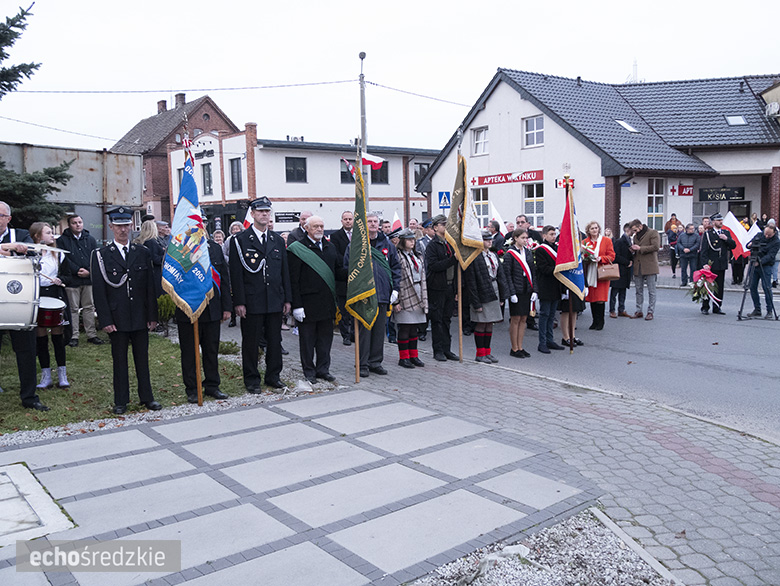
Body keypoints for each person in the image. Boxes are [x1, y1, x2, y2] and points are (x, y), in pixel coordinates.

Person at [91, 207, 160, 414]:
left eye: (126, 225)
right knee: (119, 360)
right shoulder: (101, 256)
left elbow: (150, 287)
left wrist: (152, 316)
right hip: (117, 316)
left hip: (139, 315)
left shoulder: (142, 252)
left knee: (142, 359)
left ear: (132, 226)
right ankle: (121, 400)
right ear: (111, 227)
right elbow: (99, 291)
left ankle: (147, 397)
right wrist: (105, 319)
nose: (123, 230)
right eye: (119, 226)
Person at [229, 196, 291, 392]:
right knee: (251, 342)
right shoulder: (240, 240)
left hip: (274, 299)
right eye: (260, 211)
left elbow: (284, 272)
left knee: (275, 341)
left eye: (267, 211)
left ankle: (273, 376)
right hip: (252, 300)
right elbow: (236, 274)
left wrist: (287, 298)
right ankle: (252, 380)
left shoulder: (277, 240)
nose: (264, 214)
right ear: (253, 214)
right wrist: (239, 302)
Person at [0, 202, 50, 411]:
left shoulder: (20, 234)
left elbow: (36, 257)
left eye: (0, 215)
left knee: (26, 351)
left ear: (8, 219)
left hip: (18, 303)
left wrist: (17, 252)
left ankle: (29, 396)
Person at [174, 225, 231, 404]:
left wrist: (227, 307)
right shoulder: (180, 250)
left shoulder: (214, 248)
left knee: (211, 350)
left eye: (202, 223)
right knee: (189, 352)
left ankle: (213, 385)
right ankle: (192, 388)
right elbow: (175, 278)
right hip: (188, 308)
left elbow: (224, 278)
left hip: (212, 308)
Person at [344, 211, 401, 377]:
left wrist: (395, 289)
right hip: (364, 296)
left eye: (375, 221)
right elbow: (348, 268)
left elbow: (395, 267)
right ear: (364, 224)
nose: (373, 224)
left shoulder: (387, 244)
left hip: (383, 294)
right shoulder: (355, 245)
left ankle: (375, 362)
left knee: (378, 331)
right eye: (369, 221)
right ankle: (362, 364)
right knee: (364, 332)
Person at [288, 215, 340, 383]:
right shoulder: (297, 248)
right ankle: (309, 371)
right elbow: (293, 279)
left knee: (325, 341)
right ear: (307, 228)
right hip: (307, 304)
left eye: (322, 226)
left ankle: (323, 369)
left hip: (327, 303)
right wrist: (297, 305)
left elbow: (338, 271)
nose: (319, 229)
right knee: (308, 342)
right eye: (316, 226)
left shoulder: (330, 247)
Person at [29, 222, 71, 389]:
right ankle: (45, 375)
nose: (52, 235)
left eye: (51, 232)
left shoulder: (58, 254)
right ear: (37, 236)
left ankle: (62, 373)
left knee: (57, 335)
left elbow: (69, 275)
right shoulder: (31, 253)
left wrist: (61, 280)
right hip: (37, 294)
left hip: (55, 294)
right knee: (40, 336)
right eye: (47, 232)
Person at [57, 214, 103, 347]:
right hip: (72, 279)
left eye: (80, 222)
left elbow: (94, 256)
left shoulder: (90, 239)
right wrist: (76, 270)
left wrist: (89, 271)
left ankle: (91, 334)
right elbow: (64, 259)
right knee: (73, 308)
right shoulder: (62, 240)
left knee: (89, 307)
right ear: (69, 225)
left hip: (88, 279)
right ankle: (74, 335)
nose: (78, 225)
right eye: (74, 223)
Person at [465, 230, 509, 363]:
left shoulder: (493, 255)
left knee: (490, 323)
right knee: (481, 323)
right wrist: (476, 302)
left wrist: (502, 296)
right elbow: (471, 281)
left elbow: (501, 275)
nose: (490, 241)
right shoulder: (474, 257)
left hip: (494, 288)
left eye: (490, 239)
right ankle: (480, 353)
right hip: (481, 291)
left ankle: (487, 352)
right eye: (486, 239)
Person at [424, 214, 459, 362]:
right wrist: (452, 259)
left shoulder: (449, 243)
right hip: (437, 287)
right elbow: (434, 266)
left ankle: (447, 348)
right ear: (436, 227)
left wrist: (457, 289)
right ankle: (438, 350)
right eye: (443, 225)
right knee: (437, 320)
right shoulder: (433, 245)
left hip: (450, 286)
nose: (445, 227)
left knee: (447, 319)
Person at [393, 228, 428, 368]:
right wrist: (396, 301)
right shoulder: (397, 256)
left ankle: (414, 355)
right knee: (405, 327)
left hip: (418, 291)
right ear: (402, 241)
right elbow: (395, 278)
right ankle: (403, 357)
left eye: (413, 239)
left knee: (415, 328)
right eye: (409, 240)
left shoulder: (417, 255)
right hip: (404, 293)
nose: (412, 242)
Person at [502, 227, 536, 358]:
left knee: (524, 319)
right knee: (515, 319)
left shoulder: (527, 252)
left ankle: (521, 347)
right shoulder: (510, 254)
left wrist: (534, 290)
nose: (525, 240)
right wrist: (511, 293)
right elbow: (507, 275)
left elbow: (533, 272)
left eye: (526, 238)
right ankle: (514, 348)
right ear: (515, 238)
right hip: (516, 291)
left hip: (527, 289)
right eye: (522, 238)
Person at [533, 226, 565, 354]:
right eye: (551, 234)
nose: (554, 236)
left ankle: (550, 340)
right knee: (544, 315)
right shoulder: (541, 250)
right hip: (546, 286)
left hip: (556, 286)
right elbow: (543, 268)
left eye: (555, 234)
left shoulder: (557, 248)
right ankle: (542, 342)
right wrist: (557, 269)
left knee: (552, 315)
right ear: (544, 235)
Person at [699, 212, 736, 315]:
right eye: (719, 220)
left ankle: (717, 307)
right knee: (708, 286)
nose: (721, 222)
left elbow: (733, 246)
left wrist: (726, 239)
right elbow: (704, 251)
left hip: (721, 264)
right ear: (714, 222)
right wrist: (705, 264)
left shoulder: (725, 233)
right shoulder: (708, 234)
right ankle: (705, 306)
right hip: (711, 265)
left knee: (719, 287)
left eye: (721, 220)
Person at [583, 221, 615, 330]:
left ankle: (600, 322)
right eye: (592, 228)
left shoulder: (606, 241)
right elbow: (583, 256)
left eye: (596, 228)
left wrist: (601, 258)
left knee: (600, 298)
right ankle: (594, 321)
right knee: (592, 297)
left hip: (602, 272)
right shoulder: (585, 242)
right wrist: (587, 258)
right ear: (588, 231)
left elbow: (612, 256)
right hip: (590, 272)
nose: (594, 230)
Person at [329, 210, 354, 346]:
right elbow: (337, 255)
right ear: (342, 221)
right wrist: (350, 266)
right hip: (342, 278)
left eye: (350, 219)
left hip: (356, 280)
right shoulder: (335, 236)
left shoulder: (358, 235)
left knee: (354, 310)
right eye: (345, 219)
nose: (348, 221)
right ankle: (345, 335)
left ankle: (354, 334)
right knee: (344, 310)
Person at [746, 224, 780, 319]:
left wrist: (760, 262)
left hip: (766, 266)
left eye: (769, 235)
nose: (766, 236)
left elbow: (771, 255)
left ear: (774, 233)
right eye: (765, 233)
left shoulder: (776, 241)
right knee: (752, 287)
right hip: (754, 265)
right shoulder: (759, 235)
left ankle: (769, 310)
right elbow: (749, 244)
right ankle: (757, 309)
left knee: (767, 288)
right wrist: (749, 245)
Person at [628, 218, 660, 320]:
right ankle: (639, 310)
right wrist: (633, 250)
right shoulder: (636, 236)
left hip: (650, 266)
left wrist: (640, 248)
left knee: (651, 290)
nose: (634, 232)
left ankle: (650, 312)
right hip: (638, 266)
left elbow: (656, 247)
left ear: (640, 226)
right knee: (638, 290)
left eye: (635, 230)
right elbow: (636, 249)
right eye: (633, 230)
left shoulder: (653, 233)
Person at [134, 219, 165, 299]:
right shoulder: (152, 242)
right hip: (155, 275)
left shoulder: (138, 242)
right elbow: (155, 259)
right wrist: (165, 257)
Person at [609, 223, 633, 318]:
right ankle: (612, 310)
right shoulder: (619, 241)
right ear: (627, 230)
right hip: (619, 269)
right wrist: (627, 262)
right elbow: (616, 256)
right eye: (632, 231)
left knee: (623, 291)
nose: (633, 233)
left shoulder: (629, 241)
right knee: (615, 291)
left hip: (625, 270)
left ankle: (621, 309)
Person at [223, 221, 244, 327]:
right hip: (230, 270)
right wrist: (231, 260)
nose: (235, 230)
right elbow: (224, 254)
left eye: (237, 228)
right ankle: (233, 318)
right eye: (233, 229)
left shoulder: (244, 239)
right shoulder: (228, 240)